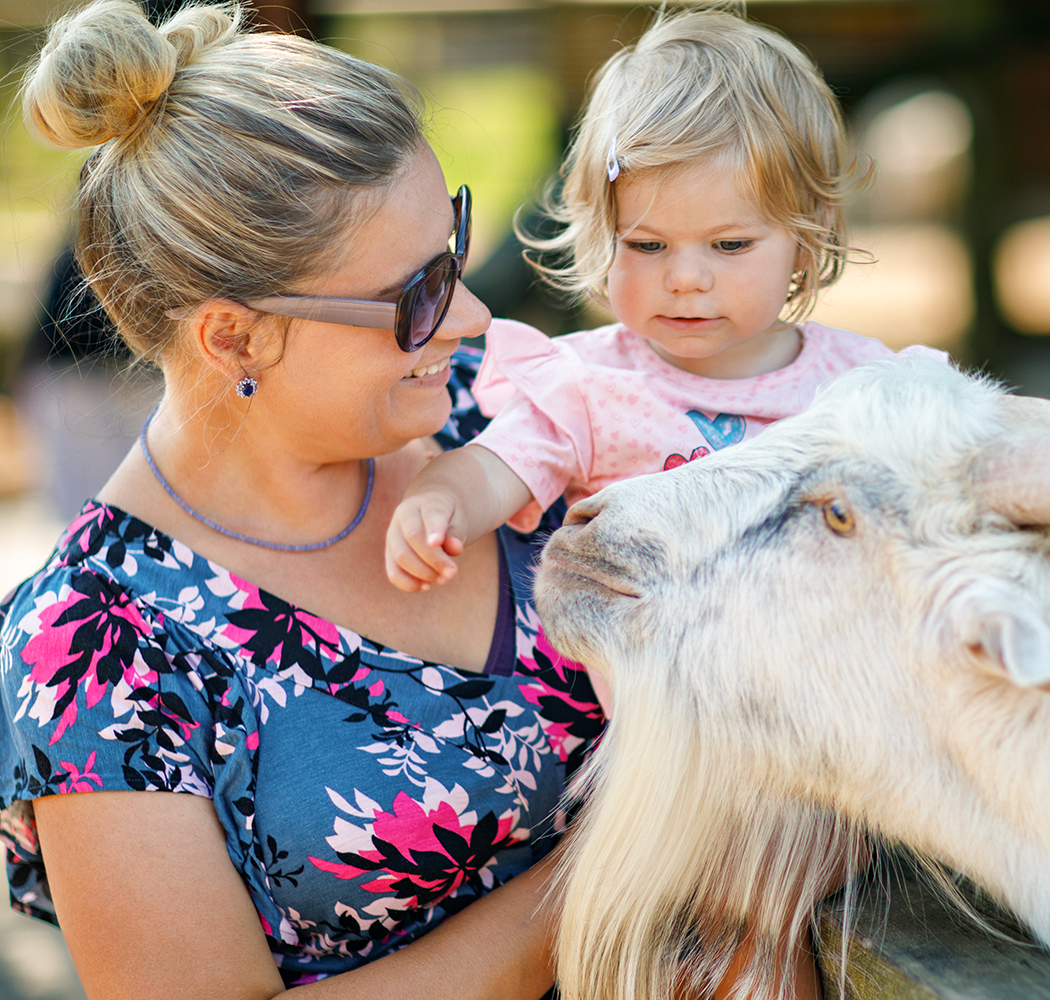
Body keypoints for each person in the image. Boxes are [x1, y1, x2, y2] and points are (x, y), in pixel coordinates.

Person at [0, 2, 605, 995]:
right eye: (415, 296)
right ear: (232, 338)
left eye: (452, 246)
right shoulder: (94, 647)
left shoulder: (513, 420)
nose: (474, 315)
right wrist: (618, 871)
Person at [383, 7, 945, 594]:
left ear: (804, 243)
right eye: (648, 245)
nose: (684, 279)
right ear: (602, 237)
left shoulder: (860, 385)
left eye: (729, 244)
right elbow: (492, 469)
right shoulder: (589, 388)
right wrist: (439, 502)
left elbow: (965, 463)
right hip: (666, 674)